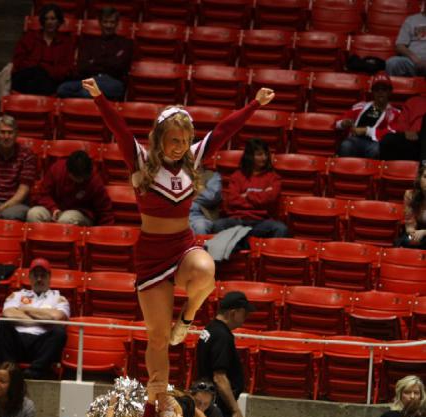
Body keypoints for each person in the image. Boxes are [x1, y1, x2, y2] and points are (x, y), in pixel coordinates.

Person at [81, 76, 274, 391]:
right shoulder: (141, 160)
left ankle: (186, 318)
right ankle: (159, 401)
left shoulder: (193, 159)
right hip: (152, 255)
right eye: (173, 140)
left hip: (182, 245)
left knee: (206, 270)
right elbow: (119, 129)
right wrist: (99, 97)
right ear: (159, 138)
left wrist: (254, 104)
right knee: (157, 338)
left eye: (184, 140)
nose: (180, 146)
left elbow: (225, 130)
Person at [0, 258, 70, 379]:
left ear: (49, 277)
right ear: (29, 277)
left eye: (42, 275)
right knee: (2, 324)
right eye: (35, 275)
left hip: (41, 343)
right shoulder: (18, 295)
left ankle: (35, 371)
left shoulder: (58, 298)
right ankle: (10, 370)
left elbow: (55, 317)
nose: (39, 279)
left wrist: (24, 309)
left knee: (59, 332)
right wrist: (42, 319)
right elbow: (7, 314)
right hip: (18, 341)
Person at [197, 291, 254, 417]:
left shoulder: (211, 328)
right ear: (233, 313)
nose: (246, 317)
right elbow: (219, 378)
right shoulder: (222, 336)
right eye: (244, 313)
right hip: (219, 407)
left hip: (209, 401)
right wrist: (235, 410)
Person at [57, 6, 133, 101]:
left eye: (112, 22)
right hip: (90, 79)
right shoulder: (90, 43)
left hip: (113, 82)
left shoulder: (125, 43)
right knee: (63, 89)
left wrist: (95, 61)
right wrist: (108, 60)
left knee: (86, 93)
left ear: (117, 24)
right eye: (105, 22)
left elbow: (119, 67)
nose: (108, 26)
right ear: (100, 23)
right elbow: (82, 66)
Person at [220, 139, 289, 240]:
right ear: (250, 157)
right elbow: (232, 200)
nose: (264, 158)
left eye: (265, 154)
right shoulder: (237, 176)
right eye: (259, 155)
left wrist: (247, 195)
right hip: (238, 220)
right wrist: (261, 197)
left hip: (262, 221)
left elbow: (270, 200)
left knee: (280, 228)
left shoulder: (274, 178)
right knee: (218, 225)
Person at [26, 150, 114, 226]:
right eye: (79, 177)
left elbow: (104, 209)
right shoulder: (57, 169)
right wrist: (54, 209)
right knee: (33, 213)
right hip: (54, 209)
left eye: (84, 177)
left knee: (66, 219)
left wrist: (105, 231)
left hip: (81, 214)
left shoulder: (95, 180)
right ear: (69, 173)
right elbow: (43, 194)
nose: (82, 179)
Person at [11, 3, 74, 96]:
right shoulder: (29, 37)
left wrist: (45, 70)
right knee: (36, 74)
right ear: (42, 21)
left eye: (53, 19)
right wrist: (39, 68)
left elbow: (66, 68)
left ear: (59, 21)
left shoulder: (66, 42)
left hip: (52, 80)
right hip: (27, 77)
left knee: (42, 78)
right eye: (46, 19)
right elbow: (18, 61)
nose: (49, 22)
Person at [336, 74, 400, 158]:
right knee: (346, 145)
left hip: (375, 143)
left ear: (389, 92)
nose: (380, 92)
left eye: (384, 89)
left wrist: (366, 131)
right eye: (377, 89)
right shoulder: (361, 106)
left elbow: (393, 132)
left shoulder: (395, 113)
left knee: (376, 149)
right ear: (373, 92)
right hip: (355, 140)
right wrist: (344, 123)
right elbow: (338, 123)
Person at [379, 93, 426, 163]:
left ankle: (424, 165)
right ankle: (386, 170)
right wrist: (406, 131)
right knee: (388, 139)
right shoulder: (414, 101)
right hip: (413, 138)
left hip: (422, 137)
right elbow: (402, 121)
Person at [386, 7, 426, 77]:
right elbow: (400, 46)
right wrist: (416, 60)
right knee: (392, 62)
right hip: (413, 61)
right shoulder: (411, 20)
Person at [396, 163, 426, 249]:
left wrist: (424, 232)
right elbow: (409, 225)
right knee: (406, 241)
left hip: (423, 232)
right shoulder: (410, 195)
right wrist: (414, 234)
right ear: (420, 179)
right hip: (418, 232)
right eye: (425, 177)